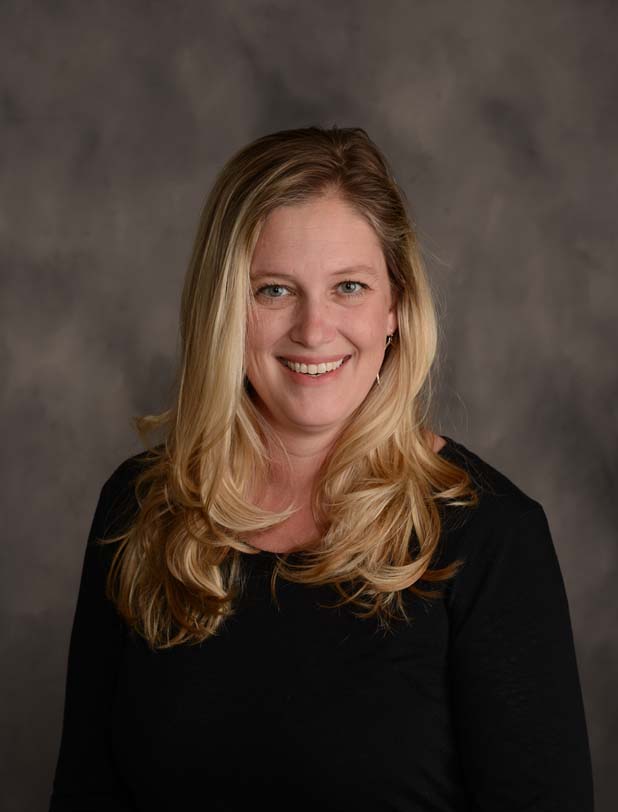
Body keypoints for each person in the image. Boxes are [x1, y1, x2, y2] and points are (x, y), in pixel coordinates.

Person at [49, 126, 594, 811]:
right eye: (274, 290)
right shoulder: (140, 509)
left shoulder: (493, 538)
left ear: (395, 305)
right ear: (224, 308)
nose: (313, 329)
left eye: (349, 287)